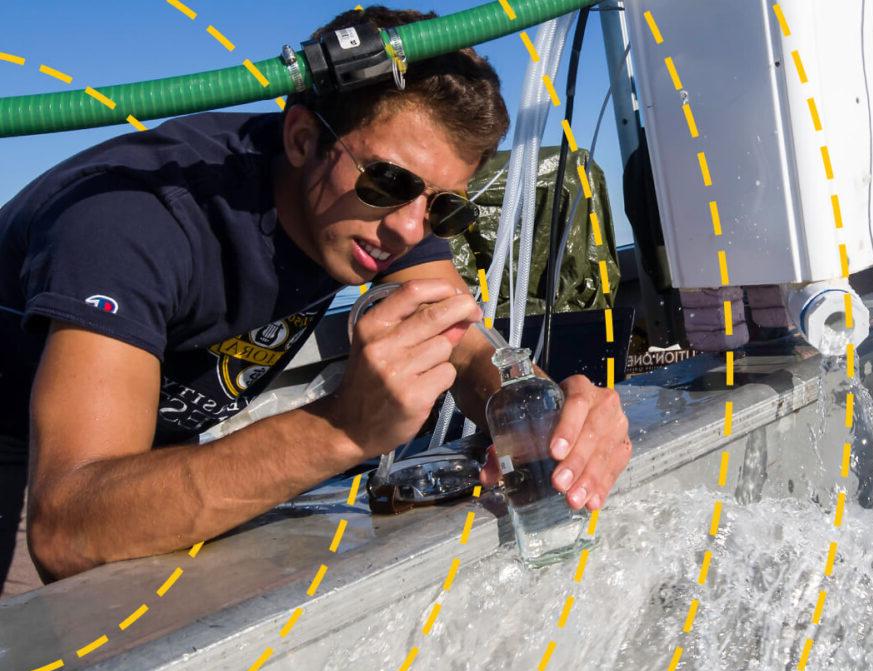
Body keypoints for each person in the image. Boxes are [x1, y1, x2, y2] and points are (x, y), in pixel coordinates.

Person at [0, 6, 632, 595]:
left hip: (154, 444)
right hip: (41, 463)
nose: (411, 232)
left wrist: (549, 417)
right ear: (302, 139)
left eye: (443, 207)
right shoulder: (133, 223)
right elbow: (67, 526)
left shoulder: (379, 217)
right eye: (388, 183)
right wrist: (344, 426)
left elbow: (464, 344)